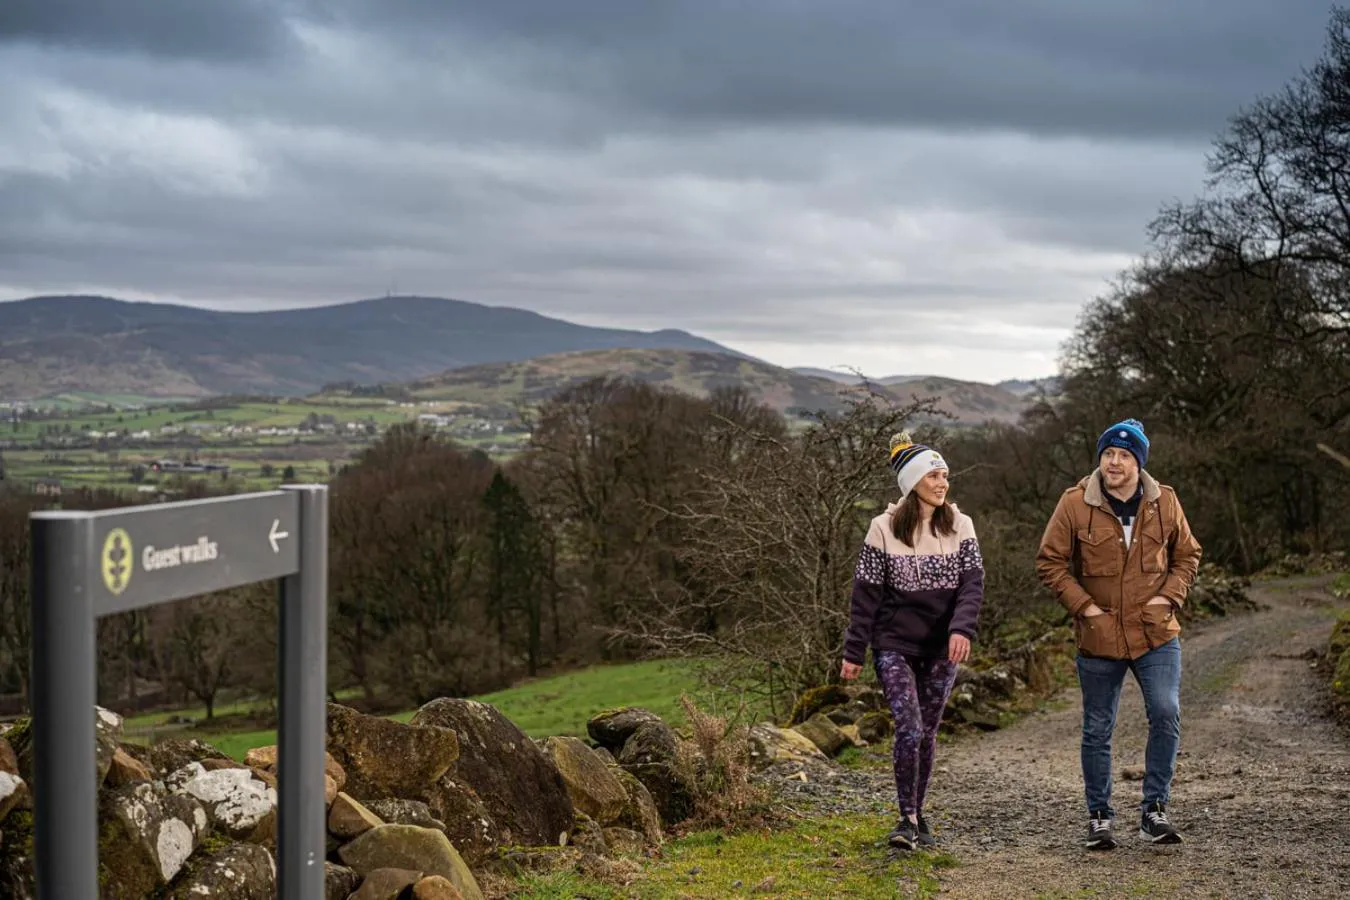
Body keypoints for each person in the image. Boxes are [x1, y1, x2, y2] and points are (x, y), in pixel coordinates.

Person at [1035, 418, 1202, 850]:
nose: (1114, 462)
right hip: (1099, 634)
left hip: (1156, 634)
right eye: (1108, 454)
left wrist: (1168, 598)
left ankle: (1154, 811)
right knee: (1097, 727)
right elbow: (1049, 562)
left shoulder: (1165, 502)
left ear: (1138, 462)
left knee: (1166, 712)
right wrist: (1085, 607)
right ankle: (1099, 816)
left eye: (1124, 456)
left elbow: (1188, 555)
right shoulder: (1075, 503)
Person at [841, 431, 985, 851]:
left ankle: (918, 814)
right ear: (912, 483)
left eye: (945, 476)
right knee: (909, 726)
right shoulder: (882, 529)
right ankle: (905, 819)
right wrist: (854, 651)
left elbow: (972, 585)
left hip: (943, 647)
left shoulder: (961, 525)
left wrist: (962, 628)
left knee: (928, 733)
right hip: (894, 646)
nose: (943, 484)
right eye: (934, 476)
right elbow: (864, 595)